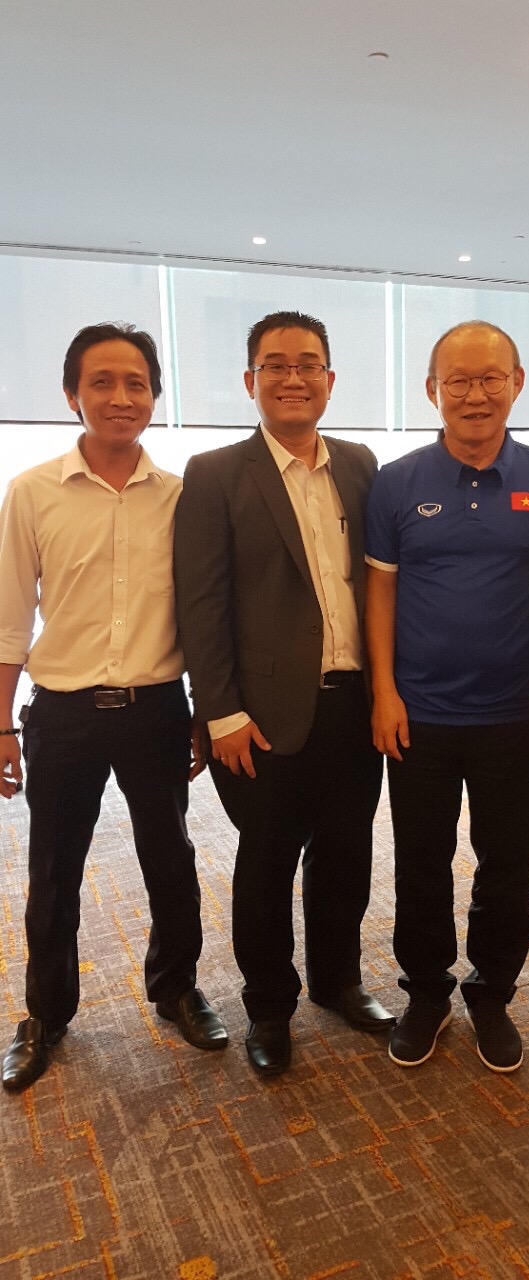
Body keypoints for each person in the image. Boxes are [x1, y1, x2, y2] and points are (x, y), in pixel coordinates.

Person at [0, 323, 227, 1093]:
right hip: (61, 714)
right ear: (73, 394)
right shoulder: (32, 492)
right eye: (102, 381)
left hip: (156, 707)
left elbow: (202, 613)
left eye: (137, 383)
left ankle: (177, 989)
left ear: (155, 396)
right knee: (53, 871)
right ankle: (45, 1015)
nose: (121, 397)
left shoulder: (183, 497)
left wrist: (202, 710)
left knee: (171, 859)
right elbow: (8, 618)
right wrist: (2, 722)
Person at [173, 310, 391, 1079]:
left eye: (308, 364)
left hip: (355, 704)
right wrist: (220, 711)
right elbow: (200, 602)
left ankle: (338, 982)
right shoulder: (215, 473)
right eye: (276, 364)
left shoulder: (361, 465)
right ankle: (269, 1007)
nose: (293, 377)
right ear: (251, 380)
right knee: (266, 864)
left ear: (329, 379)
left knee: (346, 853)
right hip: (263, 716)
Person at [365, 320, 529, 1072]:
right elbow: (380, 594)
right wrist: (384, 692)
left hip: (513, 713)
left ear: (516, 383)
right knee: (421, 863)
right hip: (419, 714)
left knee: (508, 866)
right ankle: (427, 992)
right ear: (432, 390)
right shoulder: (397, 482)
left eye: (491, 378)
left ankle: (492, 993)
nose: (475, 394)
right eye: (457, 381)